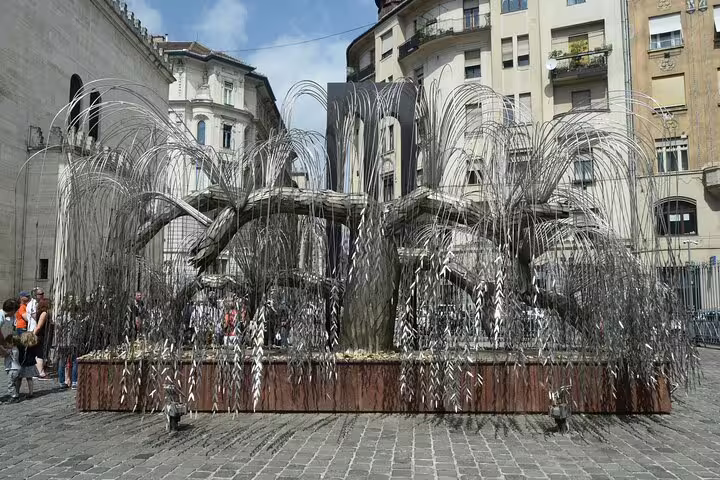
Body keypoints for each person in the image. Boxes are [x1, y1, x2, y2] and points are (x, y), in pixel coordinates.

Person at [32, 298, 52, 379]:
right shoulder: (44, 313)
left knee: (40, 353)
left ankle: (39, 371)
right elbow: (39, 326)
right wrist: (32, 335)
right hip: (41, 336)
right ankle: (40, 373)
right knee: (40, 354)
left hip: (43, 335)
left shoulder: (43, 312)